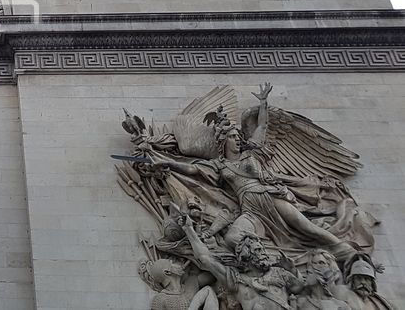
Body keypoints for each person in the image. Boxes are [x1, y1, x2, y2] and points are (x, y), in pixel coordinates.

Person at [150, 84, 359, 264]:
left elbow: (262, 126)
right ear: (224, 142)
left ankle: (348, 252)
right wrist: (168, 162)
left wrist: (264, 103)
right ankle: (264, 265)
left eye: (237, 135)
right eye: (232, 136)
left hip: (269, 197)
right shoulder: (220, 165)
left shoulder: (252, 153)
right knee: (232, 238)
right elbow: (193, 169)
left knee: (307, 228)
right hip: (249, 208)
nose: (237, 138)